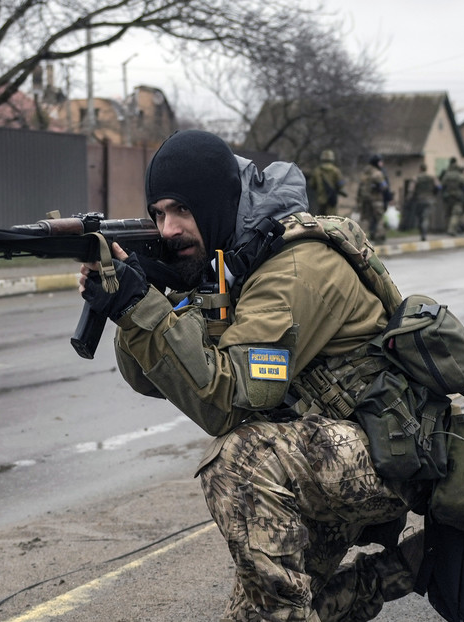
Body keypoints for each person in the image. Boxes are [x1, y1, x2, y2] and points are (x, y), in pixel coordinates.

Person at [79, 130, 425, 622]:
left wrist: (142, 306)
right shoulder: (234, 259)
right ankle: (407, 568)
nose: (168, 227)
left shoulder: (291, 268)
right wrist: (145, 299)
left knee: (240, 458)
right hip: (326, 445)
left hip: (392, 452)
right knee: (259, 615)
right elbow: (153, 378)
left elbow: (230, 404)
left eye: (181, 210)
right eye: (158, 214)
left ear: (218, 203)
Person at [356, 153, 391, 243]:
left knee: (365, 219)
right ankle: (379, 237)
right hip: (376, 200)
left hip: (364, 200)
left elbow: (360, 189)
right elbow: (384, 187)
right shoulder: (377, 173)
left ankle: (360, 238)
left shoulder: (364, 174)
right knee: (379, 218)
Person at [309, 149, 346, 217]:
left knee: (320, 219)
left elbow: (312, 184)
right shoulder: (336, 171)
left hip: (320, 200)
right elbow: (341, 184)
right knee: (332, 219)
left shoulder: (317, 171)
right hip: (332, 199)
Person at [409, 163, 439, 241]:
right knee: (425, 218)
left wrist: (409, 198)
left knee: (419, 218)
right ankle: (424, 233)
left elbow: (411, 189)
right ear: (426, 169)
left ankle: (422, 232)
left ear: (420, 169)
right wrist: (434, 194)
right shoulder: (432, 177)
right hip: (429, 200)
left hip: (419, 200)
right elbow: (438, 186)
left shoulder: (416, 178)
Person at [440, 158, 464, 235]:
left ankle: (447, 228)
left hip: (448, 197)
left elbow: (442, 185)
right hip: (458, 197)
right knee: (456, 214)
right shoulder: (460, 176)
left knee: (448, 213)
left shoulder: (446, 175)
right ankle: (451, 230)